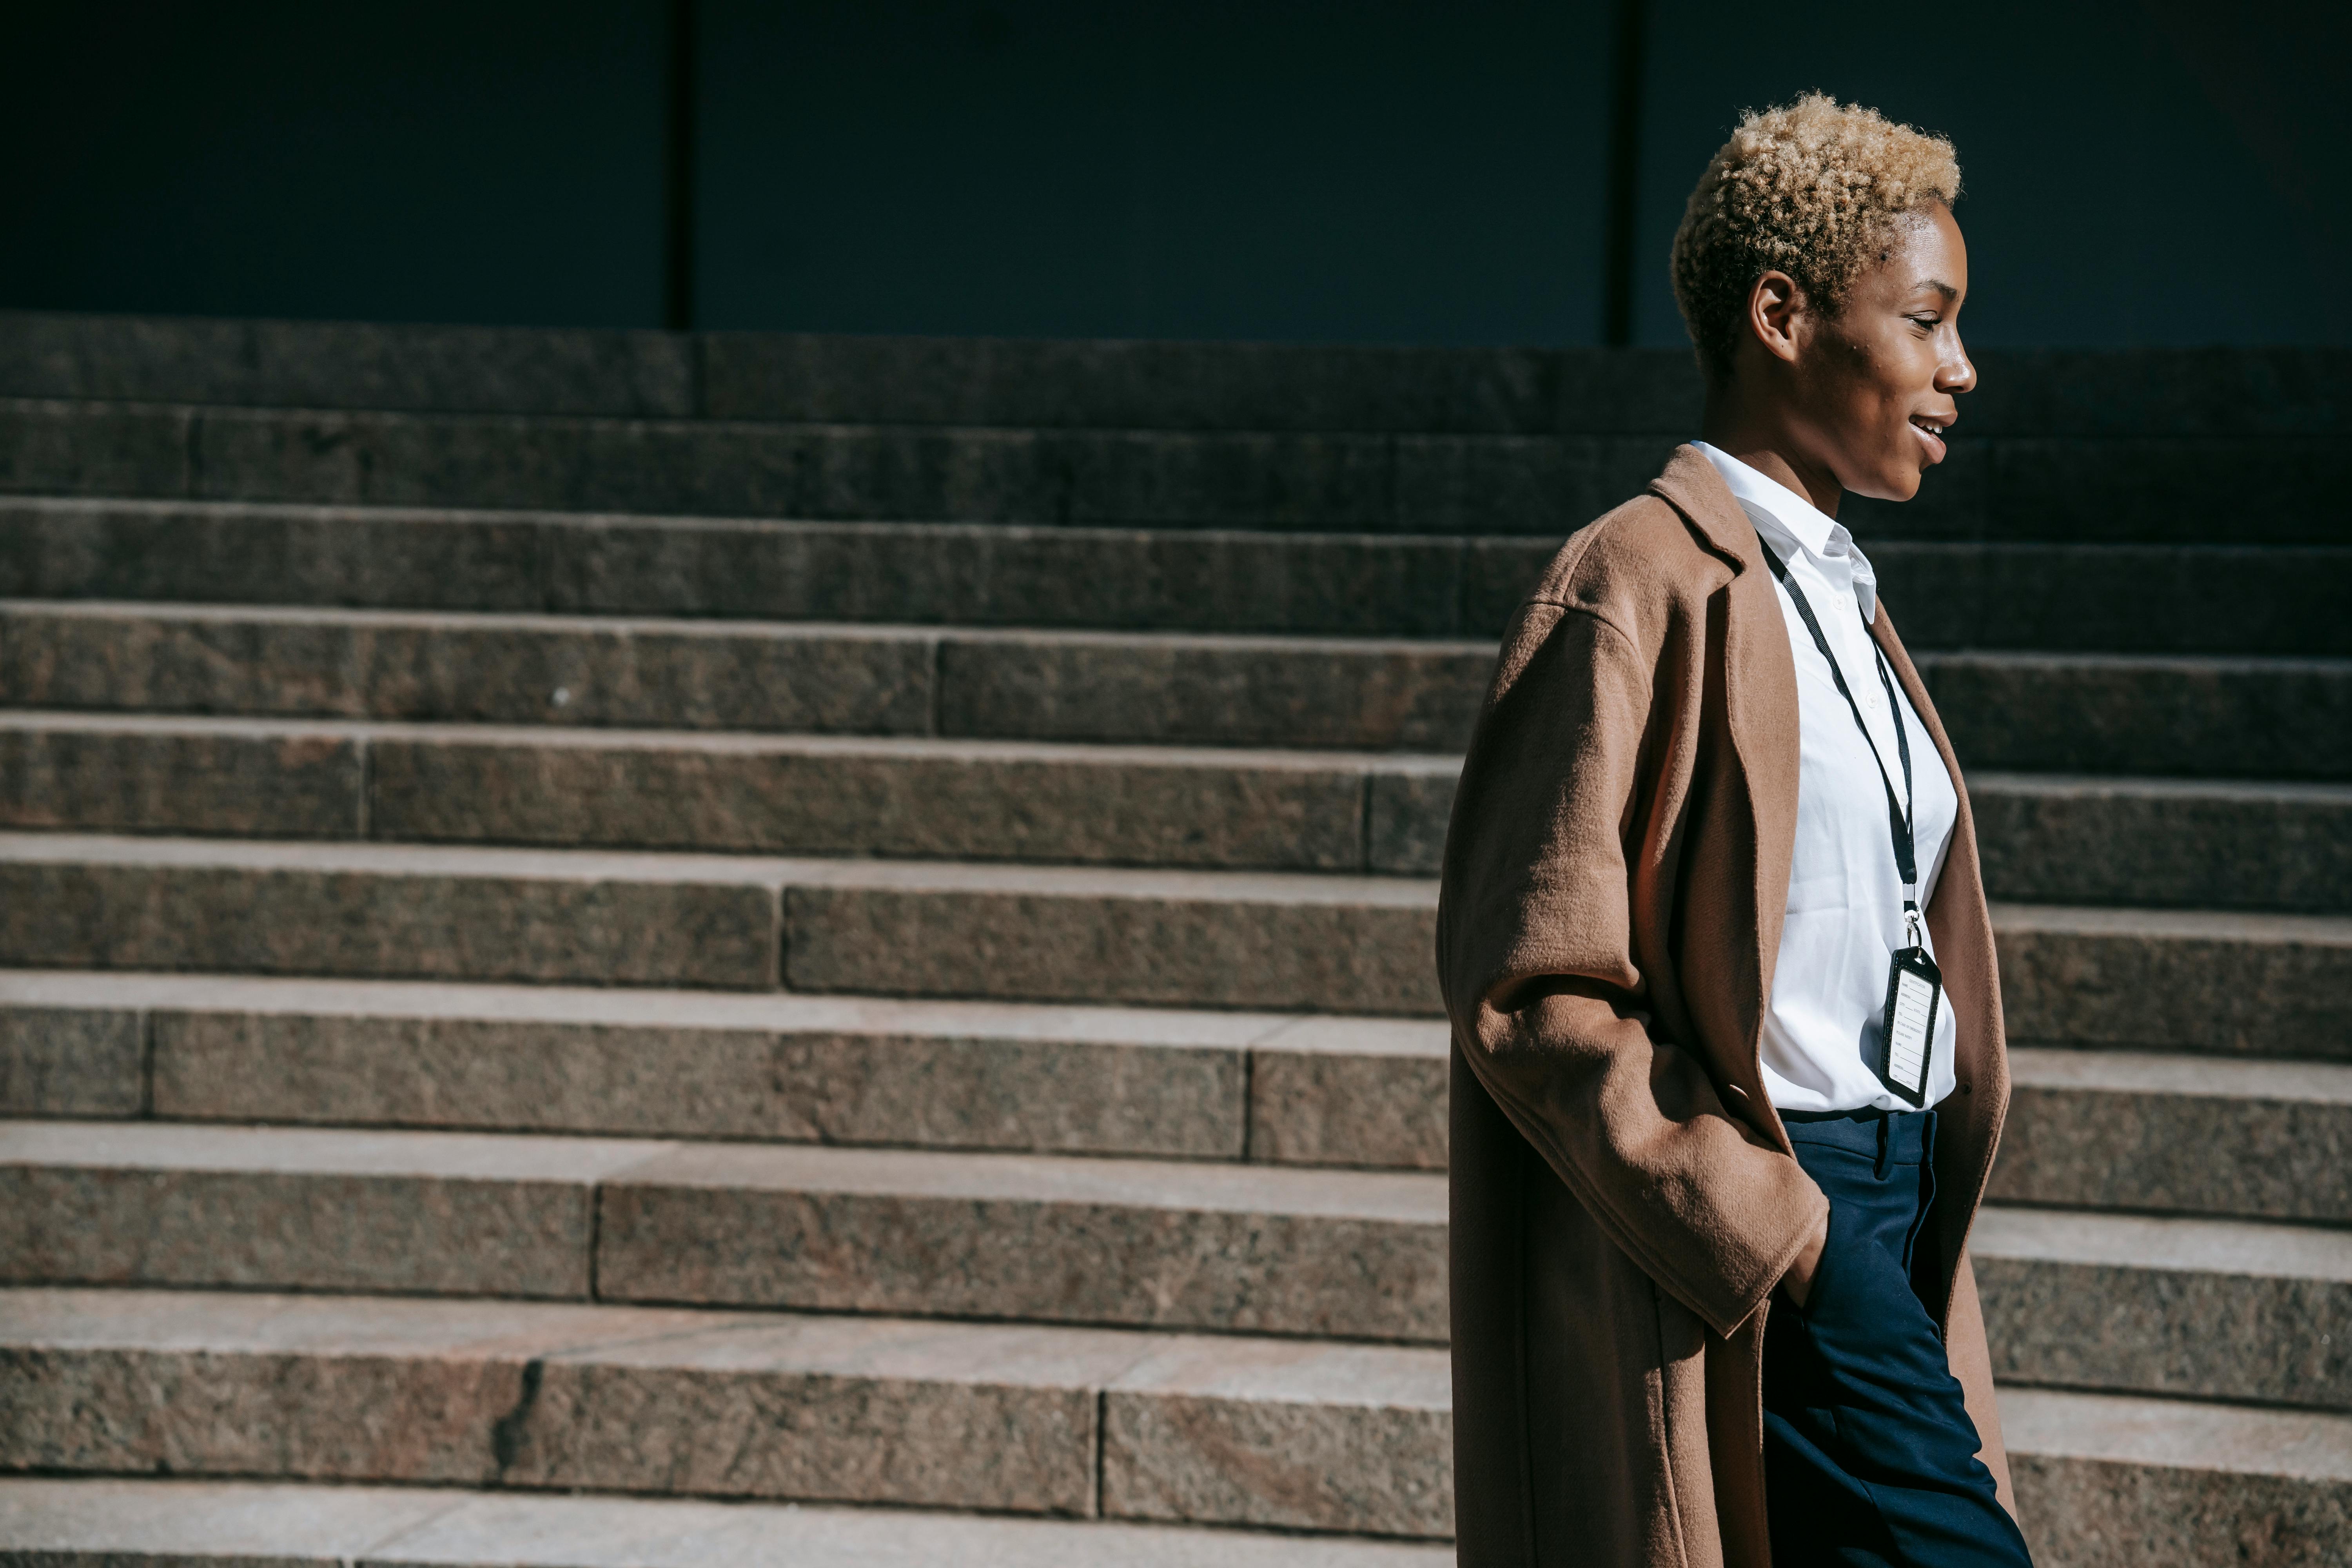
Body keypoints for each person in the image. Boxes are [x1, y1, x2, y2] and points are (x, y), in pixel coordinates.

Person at [1437, 94, 2034, 1567]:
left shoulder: (1838, 588)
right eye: (1927, 320)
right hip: (1783, 1195)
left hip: (1893, 1197)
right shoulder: (1635, 580)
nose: (1962, 368)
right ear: (1783, 314)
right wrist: (1769, 1220)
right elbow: (1528, 986)